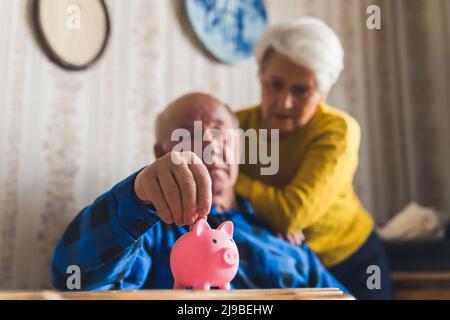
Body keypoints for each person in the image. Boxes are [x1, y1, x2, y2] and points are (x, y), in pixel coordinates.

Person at [51, 93, 347, 293]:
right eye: (189, 134)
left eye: (219, 132)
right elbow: (75, 281)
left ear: (240, 147)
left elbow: (339, 297)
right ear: (161, 153)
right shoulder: (152, 229)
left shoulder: (280, 232)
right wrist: (137, 193)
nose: (209, 142)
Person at [235, 18, 391, 299]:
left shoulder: (337, 130)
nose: (284, 102)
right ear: (260, 76)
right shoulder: (236, 125)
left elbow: (291, 213)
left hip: (350, 261)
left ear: (322, 93)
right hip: (281, 261)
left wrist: (234, 178)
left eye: (301, 90)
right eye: (275, 84)